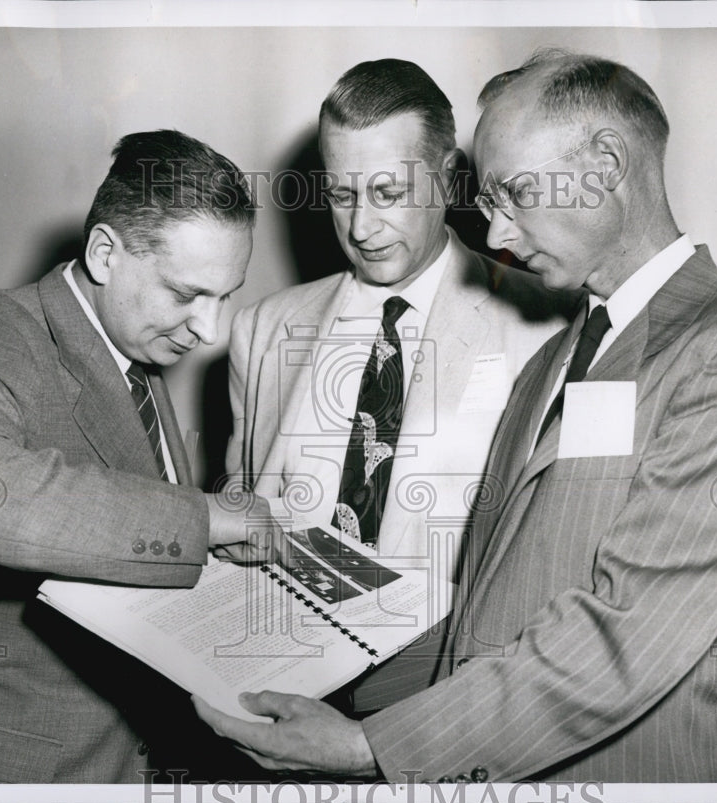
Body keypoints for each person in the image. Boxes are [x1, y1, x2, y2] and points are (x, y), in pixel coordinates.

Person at [195, 51, 717, 782]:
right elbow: (490, 604)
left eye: (516, 193)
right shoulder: (559, 354)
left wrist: (374, 748)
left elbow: (628, 636)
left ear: (607, 163)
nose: (493, 236)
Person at [0, 130, 284, 783]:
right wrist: (204, 520)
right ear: (105, 253)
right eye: (187, 294)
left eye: (226, 295)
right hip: (5, 774)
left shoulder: (135, 349)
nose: (210, 329)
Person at [224, 58, 575, 714]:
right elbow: (242, 516)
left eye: (385, 193)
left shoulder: (545, 328)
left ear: (446, 181)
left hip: (445, 703)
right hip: (279, 689)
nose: (359, 228)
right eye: (340, 193)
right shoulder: (264, 330)